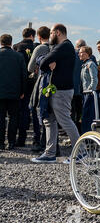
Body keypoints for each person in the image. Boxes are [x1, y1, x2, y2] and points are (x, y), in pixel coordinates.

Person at [32, 24, 80, 164]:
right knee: (49, 120)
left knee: (64, 120)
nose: (50, 35)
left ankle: (81, 152)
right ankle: (50, 153)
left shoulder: (64, 46)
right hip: (56, 90)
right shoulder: (60, 47)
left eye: (51, 33)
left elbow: (43, 62)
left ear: (58, 33)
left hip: (61, 90)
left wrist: (45, 61)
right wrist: (44, 61)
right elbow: (41, 60)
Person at [13, 27, 39, 147]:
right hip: (34, 82)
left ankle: (21, 139)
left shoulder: (16, 47)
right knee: (34, 109)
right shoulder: (36, 47)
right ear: (32, 36)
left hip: (20, 82)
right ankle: (36, 138)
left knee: (21, 110)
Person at [0, 34, 27, 150]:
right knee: (13, 117)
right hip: (14, 92)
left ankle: (0, 142)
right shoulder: (18, 56)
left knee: (0, 118)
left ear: (1, 43)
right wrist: (23, 91)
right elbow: (23, 75)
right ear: (11, 43)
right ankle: (11, 142)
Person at [28, 26, 51, 153]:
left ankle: (38, 141)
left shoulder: (40, 48)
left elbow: (30, 68)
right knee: (50, 114)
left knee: (37, 111)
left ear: (39, 36)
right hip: (54, 85)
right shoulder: (55, 47)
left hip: (41, 82)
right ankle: (49, 142)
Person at [78, 46, 98, 135]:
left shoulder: (91, 64)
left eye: (81, 52)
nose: (79, 54)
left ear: (87, 54)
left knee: (88, 116)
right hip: (86, 94)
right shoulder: (84, 65)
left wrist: (90, 91)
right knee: (85, 116)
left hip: (89, 94)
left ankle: (89, 137)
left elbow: (95, 80)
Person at [71, 39, 85, 133]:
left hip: (71, 87)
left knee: (71, 111)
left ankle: (72, 131)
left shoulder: (71, 55)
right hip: (82, 88)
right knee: (80, 111)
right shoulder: (87, 56)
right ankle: (79, 130)